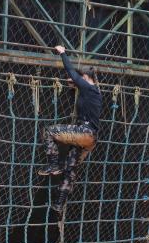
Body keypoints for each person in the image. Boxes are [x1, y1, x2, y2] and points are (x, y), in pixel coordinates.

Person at [38, 45, 102, 213]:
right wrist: (74, 84)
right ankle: (59, 204)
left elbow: (73, 74)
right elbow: (76, 82)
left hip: (85, 133)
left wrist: (63, 54)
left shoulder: (89, 87)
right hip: (90, 139)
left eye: (81, 78)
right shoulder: (92, 91)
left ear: (86, 77)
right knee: (70, 169)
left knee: (49, 131)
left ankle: (52, 165)